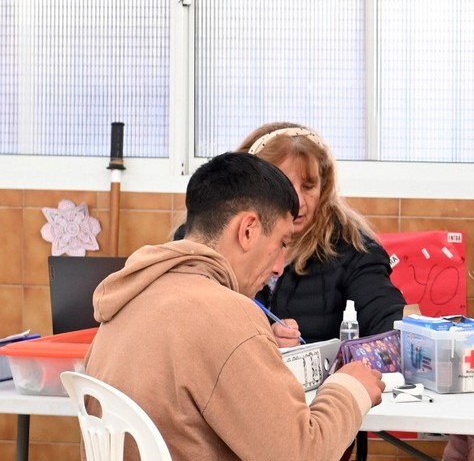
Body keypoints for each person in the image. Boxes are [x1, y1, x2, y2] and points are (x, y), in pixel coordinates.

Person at [86, 152, 385, 461]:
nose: (280, 267)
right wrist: (349, 388)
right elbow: (301, 454)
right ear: (248, 231)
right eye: (283, 243)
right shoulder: (228, 316)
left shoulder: (126, 300)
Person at [176, 122, 407, 347]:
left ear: (324, 188)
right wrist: (262, 344)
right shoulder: (206, 237)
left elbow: (387, 319)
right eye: (283, 184)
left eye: (308, 186)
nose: (297, 200)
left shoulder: (354, 249)